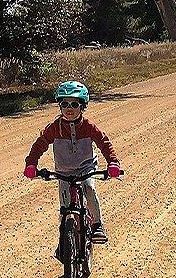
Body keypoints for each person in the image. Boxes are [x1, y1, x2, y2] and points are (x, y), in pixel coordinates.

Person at [23, 81, 121, 246]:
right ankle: (64, 242)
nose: (69, 108)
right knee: (64, 208)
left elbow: (104, 143)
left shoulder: (89, 126)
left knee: (89, 188)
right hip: (64, 171)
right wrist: (31, 164)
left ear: (82, 107)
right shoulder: (55, 127)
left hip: (86, 167)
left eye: (74, 104)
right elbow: (39, 144)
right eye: (65, 103)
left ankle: (97, 224)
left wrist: (113, 163)